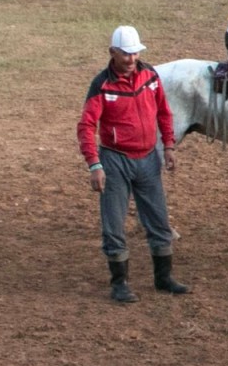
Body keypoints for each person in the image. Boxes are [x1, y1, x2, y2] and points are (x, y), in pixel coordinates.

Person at [77, 26, 191, 303]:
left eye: (135, 53)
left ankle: (163, 277)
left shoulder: (150, 76)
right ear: (112, 53)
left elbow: (164, 111)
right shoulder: (101, 85)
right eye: (125, 54)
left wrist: (169, 145)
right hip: (114, 160)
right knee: (114, 224)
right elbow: (86, 125)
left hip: (148, 158)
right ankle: (120, 284)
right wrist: (95, 164)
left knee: (158, 219)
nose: (131, 59)